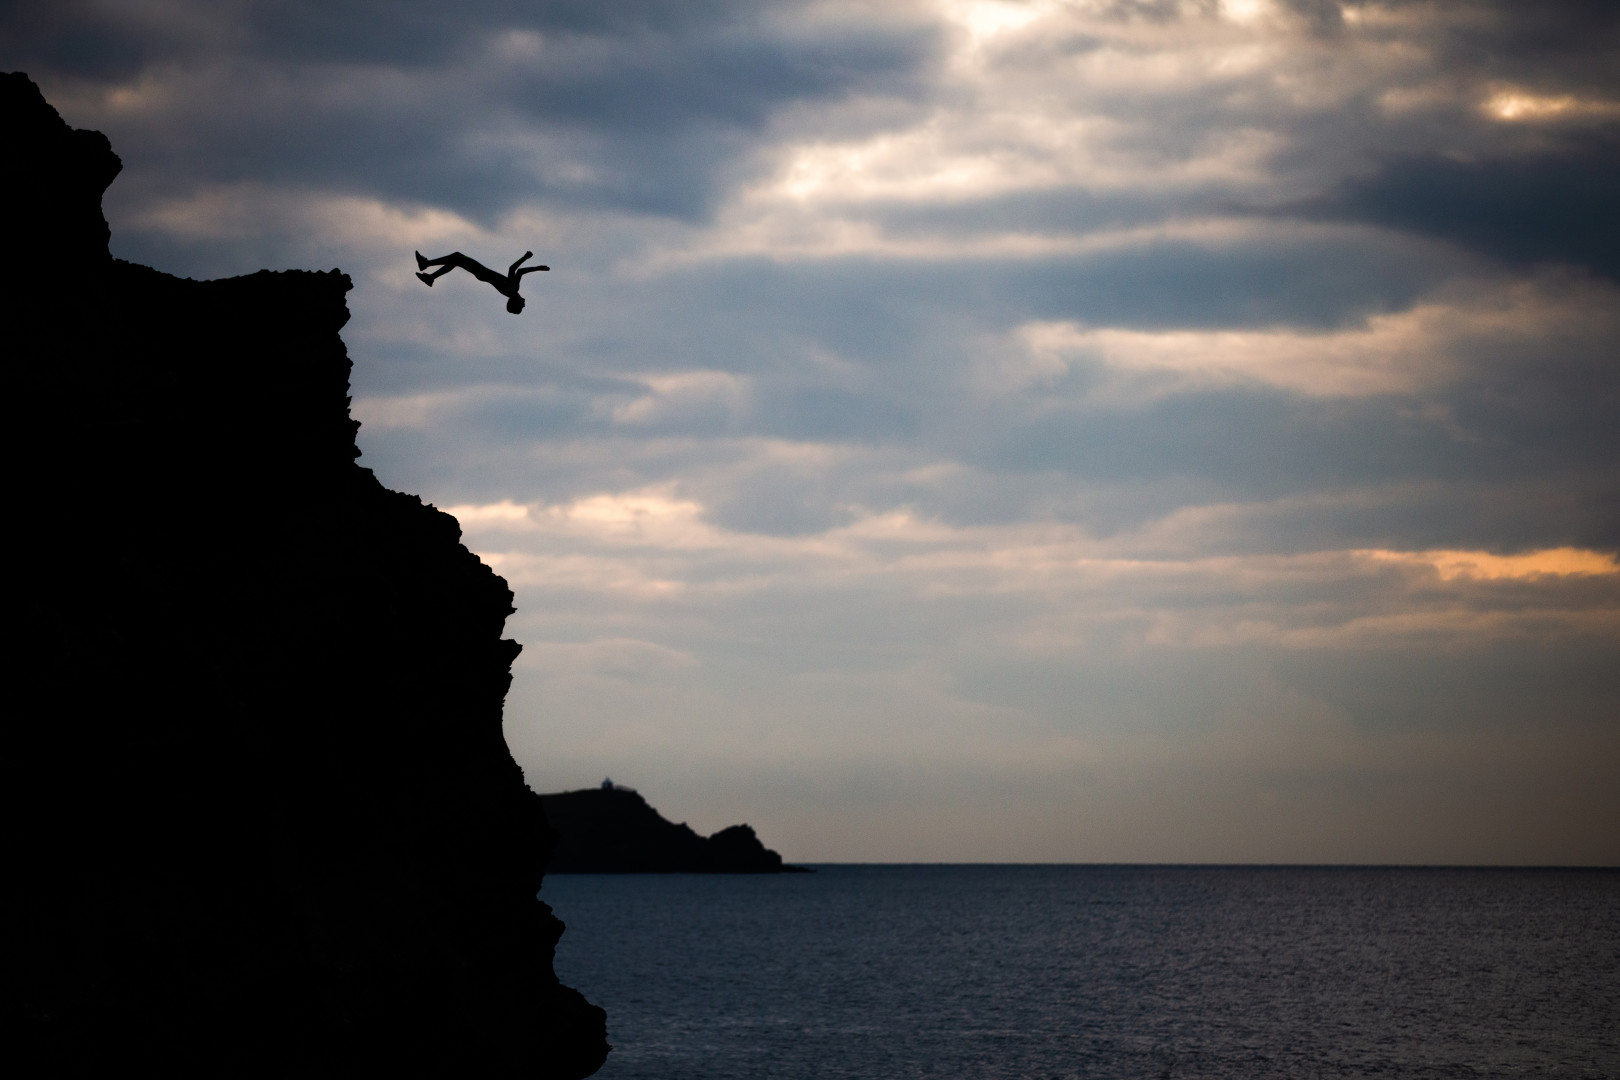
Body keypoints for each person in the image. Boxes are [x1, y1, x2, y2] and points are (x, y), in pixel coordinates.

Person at [415, 250, 549, 314]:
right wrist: (537, 268)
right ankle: (430, 276)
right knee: (456, 260)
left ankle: (427, 265)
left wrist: (526, 258)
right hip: (482, 273)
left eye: (521, 306)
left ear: (515, 303)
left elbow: (513, 269)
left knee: (457, 257)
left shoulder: (511, 290)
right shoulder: (514, 289)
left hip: (481, 272)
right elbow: (518, 272)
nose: (524, 305)